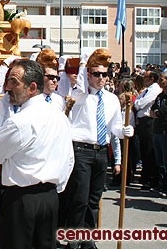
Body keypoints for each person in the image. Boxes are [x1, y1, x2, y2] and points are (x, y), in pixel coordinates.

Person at [0, 59, 74, 249]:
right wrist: (55, 188)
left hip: (22, 199)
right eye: (9, 80)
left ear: (32, 87)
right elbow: (69, 159)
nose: (8, 87)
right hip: (49, 198)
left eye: (14, 82)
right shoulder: (58, 116)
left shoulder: (20, 122)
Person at [57, 49, 133, 249]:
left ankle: (88, 239)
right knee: (79, 198)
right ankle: (73, 240)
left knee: (94, 199)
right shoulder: (80, 94)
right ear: (88, 75)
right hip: (81, 149)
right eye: (96, 74)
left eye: (104, 74)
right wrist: (83, 65)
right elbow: (79, 93)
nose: (101, 78)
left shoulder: (111, 99)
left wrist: (124, 130)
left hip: (101, 151)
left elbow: (114, 126)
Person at [133, 69, 162, 189]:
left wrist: (138, 103)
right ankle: (146, 175)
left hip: (149, 121)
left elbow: (140, 103)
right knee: (144, 149)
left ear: (152, 79)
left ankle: (151, 178)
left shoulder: (154, 90)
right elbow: (137, 101)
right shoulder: (147, 90)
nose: (144, 79)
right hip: (142, 122)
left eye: (146, 77)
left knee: (149, 150)